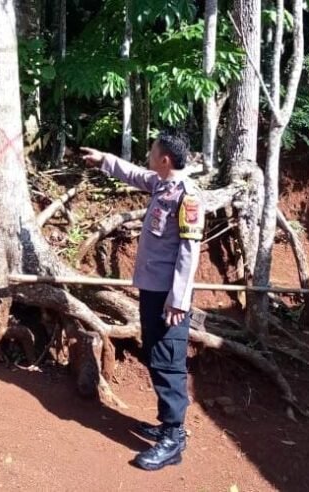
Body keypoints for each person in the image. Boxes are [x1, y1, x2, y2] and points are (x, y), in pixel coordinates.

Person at [81, 131, 204, 471]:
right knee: (154, 352)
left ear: (165, 159)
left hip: (169, 297)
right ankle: (167, 425)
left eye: (152, 151)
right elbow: (134, 174)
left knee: (168, 359)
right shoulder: (162, 184)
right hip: (153, 290)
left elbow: (189, 253)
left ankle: (174, 438)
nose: (148, 156)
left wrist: (178, 301)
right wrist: (104, 160)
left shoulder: (188, 197)